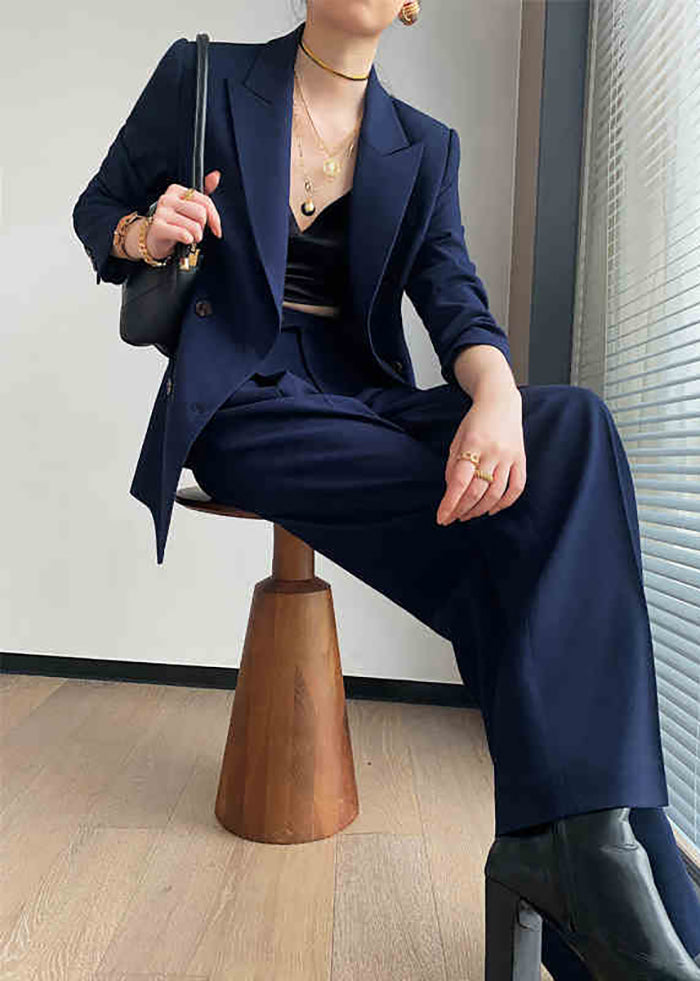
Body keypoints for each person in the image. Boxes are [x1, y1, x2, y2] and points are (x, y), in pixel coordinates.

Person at [72, 2, 700, 977]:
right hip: (245, 407)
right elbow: (97, 209)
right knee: (520, 549)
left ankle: (584, 872)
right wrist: (144, 233)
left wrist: (496, 400)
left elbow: (456, 304)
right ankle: (630, 905)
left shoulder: (424, 146)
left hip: (364, 403)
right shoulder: (205, 77)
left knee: (568, 428)